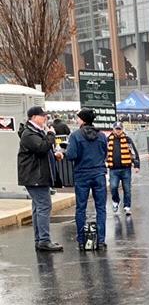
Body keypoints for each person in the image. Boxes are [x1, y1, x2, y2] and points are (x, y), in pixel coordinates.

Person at [17, 105, 63, 252]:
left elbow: (42, 150)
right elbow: (41, 148)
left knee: (38, 208)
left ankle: (40, 239)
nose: (45, 118)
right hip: (35, 176)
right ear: (34, 117)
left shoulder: (36, 132)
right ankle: (44, 240)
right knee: (44, 206)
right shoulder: (29, 133)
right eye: (43, 116)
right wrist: (51, 135)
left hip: (37, 175)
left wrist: (54, 155)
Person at [66, 108, 108, 251]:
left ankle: (82, 241)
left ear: (83, 120)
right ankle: (101, 240)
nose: (76, 120)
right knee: (101, 208)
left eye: (78, 118)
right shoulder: (101, 135)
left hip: (82, 174)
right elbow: (104, 153)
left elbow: (71, 155)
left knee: (81, 208)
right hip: (99, 173)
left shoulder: (75, 136)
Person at [106, 120, 140, 216]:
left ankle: (127, 206)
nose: (118, 131)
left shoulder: (128, 139)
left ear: (122, 129)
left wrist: (136, 165)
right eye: (116, 129)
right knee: (113, 187)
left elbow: (133, 153)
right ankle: (116, 201)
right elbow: (104, 153)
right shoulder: (108, 140)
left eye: (119, 129)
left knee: (127, 189)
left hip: (126, 168)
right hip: (113, 169)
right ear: (113, 129)